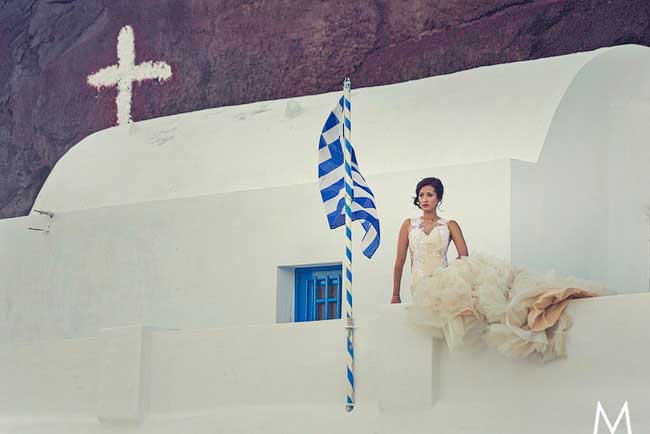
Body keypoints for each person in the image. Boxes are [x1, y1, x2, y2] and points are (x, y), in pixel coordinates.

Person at [391, 177, 606, 362]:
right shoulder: (409, 225)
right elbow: (400, 261)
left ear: (439, 198)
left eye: (430, 194)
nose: (425, 199)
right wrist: (395, 294)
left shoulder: (449, 225)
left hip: (442, 281)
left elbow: (463, 256)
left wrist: (456, 280)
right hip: (420, 284)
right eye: (421, 195)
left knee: (485, 303)